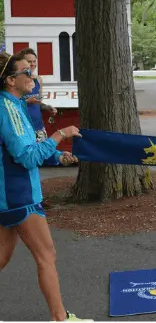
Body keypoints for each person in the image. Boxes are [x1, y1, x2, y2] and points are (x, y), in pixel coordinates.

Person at [0, 53, 91, 321]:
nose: (33, 77)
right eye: (27, 72)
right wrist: (60, 135)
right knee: (46, 255)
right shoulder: (7, 108)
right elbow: (26, 155)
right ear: (10, 80)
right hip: (20, 196)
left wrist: (56, 155)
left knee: (2, 258)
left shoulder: (14, 104)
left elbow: (28, 147)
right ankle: (60, 318)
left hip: (10, 196)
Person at [17, 48, 58, 142]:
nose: (32, 64)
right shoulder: (15, 81)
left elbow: (38, 103)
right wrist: (28, 101)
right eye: (29, 61)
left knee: (43, 155)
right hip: (22, 128)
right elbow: (10, 103)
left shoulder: (38, 80)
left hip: (39, 127)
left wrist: (47, 107)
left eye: (34, 61)